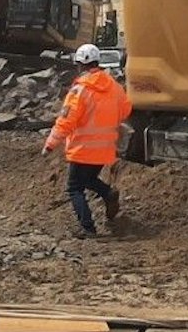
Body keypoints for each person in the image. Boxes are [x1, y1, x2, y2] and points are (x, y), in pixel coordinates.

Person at [42, 43, 131, 238]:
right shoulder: (114, 87)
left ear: (80, 65)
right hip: (105, 149)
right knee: (89, 179)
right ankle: (107, 193)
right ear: (97, 62)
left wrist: (50, 144)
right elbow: (125, 110)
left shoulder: (79, 91)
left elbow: (66, 120)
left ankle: (88, 228)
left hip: (82, 149)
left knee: (75, 188)